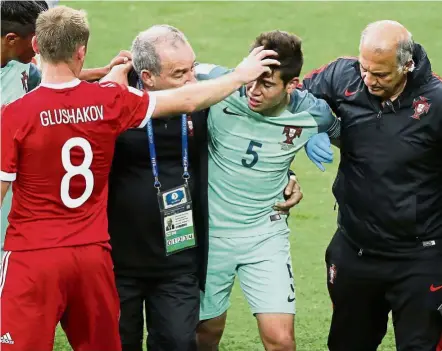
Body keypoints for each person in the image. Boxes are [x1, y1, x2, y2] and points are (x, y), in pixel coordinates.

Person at [0, 6, 279, 351]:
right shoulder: (109, 101)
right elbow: (188, 100)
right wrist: (239, 76)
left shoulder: (14, 115)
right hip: (93, 256)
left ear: (38, 49)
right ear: (81, 51)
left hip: (35, 255)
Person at [109, 25, 302, 351]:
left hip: (179, 263)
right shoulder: (112, 103)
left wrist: (287, 172)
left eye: (193, 68)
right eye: (180, 72)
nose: (192, 81)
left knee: (180, 343)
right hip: (118, 263)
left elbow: (246, 139)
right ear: (148, 76)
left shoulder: (205, 102)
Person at [195, 30, 340, 351]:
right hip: (212, 238)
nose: (254, 91)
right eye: (252, 78)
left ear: (292, 85)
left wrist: (320, 134)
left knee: (281, 340)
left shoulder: (312, 113)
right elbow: (166, 66)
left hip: (265, 237)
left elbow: (351, 131)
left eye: (267, 84)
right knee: (206, 333)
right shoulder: (218, 85)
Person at [303, 20, 442, 351]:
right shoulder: (341, 75)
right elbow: (295, 95)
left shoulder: (436, 104)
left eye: (380, 75)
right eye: (365, 69)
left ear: (407, 65)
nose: (369, 80)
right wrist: (313, 128)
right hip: (355, 251)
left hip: (420, 258)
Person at [0, 0, 132, 247]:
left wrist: (102, 72)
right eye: (35, 40)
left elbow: (50, 79)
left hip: (18, 214)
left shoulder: (20, 66)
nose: (42, 49)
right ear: (11, 39)